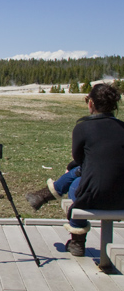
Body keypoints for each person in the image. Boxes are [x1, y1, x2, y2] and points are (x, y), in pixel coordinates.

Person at [25, 83, 124, 256]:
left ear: (91, 103)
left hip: (95, 196)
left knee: (77, 184)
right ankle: (45, 194)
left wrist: (73, 169)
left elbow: (79, 160)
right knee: (81, 174)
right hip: (122, 197)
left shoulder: (83, 127)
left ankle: (78, 241)